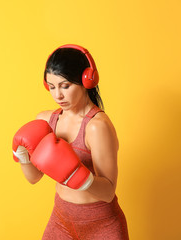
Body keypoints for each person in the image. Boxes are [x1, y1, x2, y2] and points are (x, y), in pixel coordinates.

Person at [12, 44, 129, 239]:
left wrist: (81, 178)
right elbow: (34, 178)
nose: (58, 95)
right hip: (61, 220)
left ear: (86, 80)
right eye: (51, 87)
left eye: (65, 86)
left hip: (101, 225)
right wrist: (22, 156)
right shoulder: (46, 121)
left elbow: (108, 192)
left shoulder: (96, 127)